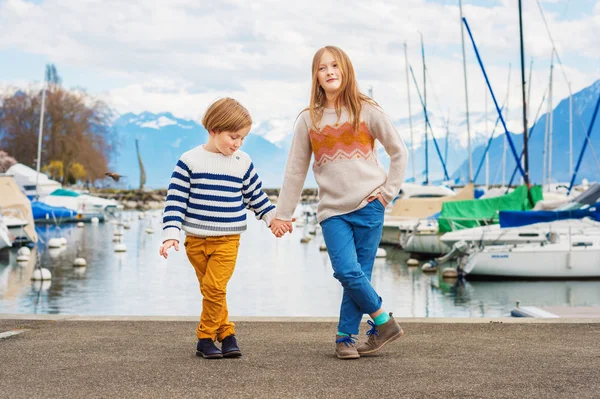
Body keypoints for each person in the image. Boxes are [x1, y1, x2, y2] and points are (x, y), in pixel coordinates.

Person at [271, 46, 408, 359]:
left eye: (335, 66)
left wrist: (387, 193)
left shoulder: (367, 110)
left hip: (370, 205)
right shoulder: (309, 119)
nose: (329, 71)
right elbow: (295, 168)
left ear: (345, 71)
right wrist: (284, 214)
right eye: (322, 68)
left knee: (359, 274)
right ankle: (384, 321)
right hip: (333, 211)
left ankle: (345, 338)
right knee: (347, 271)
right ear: (316, 77)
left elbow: (399, 151)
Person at [159, 98, 292, 359]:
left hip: (227, 240)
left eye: (242, 138)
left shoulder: (242, 162)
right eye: (234, 136)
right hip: (194, 241)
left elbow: (256, 197)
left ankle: (205, 338)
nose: (238, 143)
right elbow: (175, 202)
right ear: (213, 130)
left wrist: (274, 220)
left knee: (215, 288)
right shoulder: (189, 161)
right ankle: (227, 333)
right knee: (211, 290)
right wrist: (170, 236)